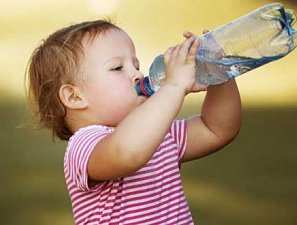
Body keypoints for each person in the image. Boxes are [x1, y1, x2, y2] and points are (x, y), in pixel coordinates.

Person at [26, 19, 241, 225]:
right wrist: (173, 86)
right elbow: (127, 153)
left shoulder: (159, 133)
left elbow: (217, 129)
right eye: (118, 68)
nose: (138, 74)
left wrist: (219, 73)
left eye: (136, 64)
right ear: (75, 97)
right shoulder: (83, 146)